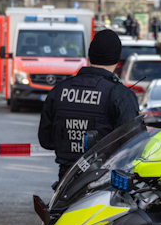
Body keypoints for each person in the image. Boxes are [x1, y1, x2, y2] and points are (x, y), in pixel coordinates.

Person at [38, 29, 140, 182]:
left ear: (90, 55)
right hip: (106, 184)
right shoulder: (120, 95)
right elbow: (133, 146)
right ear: (117, 58)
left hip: (66, 183)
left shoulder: (59, 90)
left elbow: (46, 141)